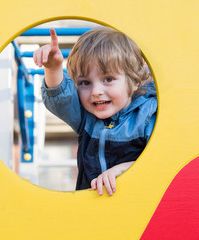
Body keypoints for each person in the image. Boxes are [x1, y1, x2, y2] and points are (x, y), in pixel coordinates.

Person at [33, 27, 157, 196]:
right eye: (85, 82)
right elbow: (61, 100)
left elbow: (161, 160)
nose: (96, 91)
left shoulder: (147, 115)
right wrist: (53, 69)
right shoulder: (87, 118)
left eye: (108, 79)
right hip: (92, 210)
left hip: (138, 209)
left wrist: (123, 170)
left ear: (134, 81)